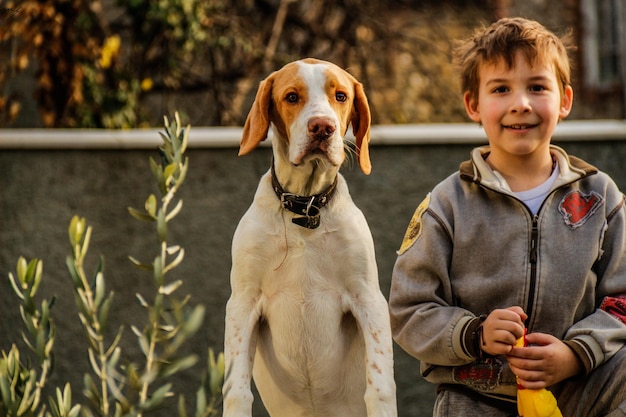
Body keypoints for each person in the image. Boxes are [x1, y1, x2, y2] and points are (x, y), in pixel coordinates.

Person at [389, 17, 626, 416]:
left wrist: (576, 353)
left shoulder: (601, 196)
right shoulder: (448, 204)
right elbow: (409, 309)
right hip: (478, 395)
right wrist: (475, 333)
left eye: (537, 86)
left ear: (564, 100)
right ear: (473, 104)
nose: (521, 103)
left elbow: (622, 297)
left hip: (581, 388)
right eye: (501, 89)